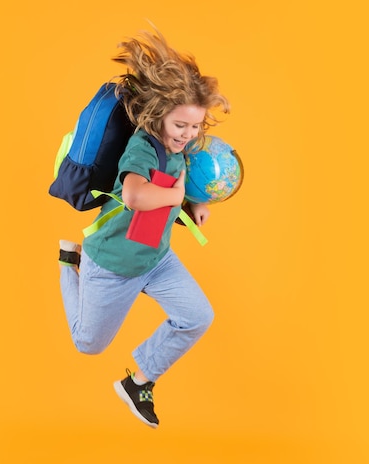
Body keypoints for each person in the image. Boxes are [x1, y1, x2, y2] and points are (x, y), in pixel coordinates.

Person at [57, 28, 230, 428]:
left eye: (194, 127)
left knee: (197, 317)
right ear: (159, 115)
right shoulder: (143, 145)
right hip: (114, 263)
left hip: (155, 258)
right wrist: (175, 197)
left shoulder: (180, 148)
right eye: (180, 126)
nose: (187, 136)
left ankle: (139, 383)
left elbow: (176, 183)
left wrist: (195, 201)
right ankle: (69, 262)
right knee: (88, 344)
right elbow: (136, 195)